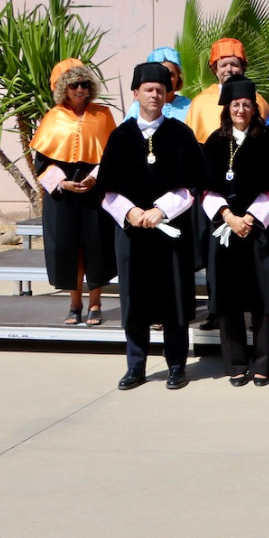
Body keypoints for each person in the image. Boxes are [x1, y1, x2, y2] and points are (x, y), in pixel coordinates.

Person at [97, 62, 206, 391]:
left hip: (169, 233)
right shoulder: (120, 136)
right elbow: (106, 190)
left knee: (173, 297)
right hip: (132, 234)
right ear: (136, 93)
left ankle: (176, 365)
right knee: (135, 298)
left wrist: (160, 210)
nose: (155, 94)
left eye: (161, 89)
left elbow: (192, 186)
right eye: (148, 89)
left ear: (168, 94)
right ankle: (136, 366)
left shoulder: (181, 135)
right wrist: (130, 212)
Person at [200, 77, 269, 385]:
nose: (241, 110)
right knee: (228, 297)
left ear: (254, 108)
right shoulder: (214, 142)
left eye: (246, 105)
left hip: (259, 227)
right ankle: (236, 363)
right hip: (224, 227)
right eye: (235, 104)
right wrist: (228, 216)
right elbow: (204, 187)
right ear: (227, 108)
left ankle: (264, 363)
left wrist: (250, 217)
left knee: (263, 297)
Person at [29, 58, 117, 326]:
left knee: (96, 248)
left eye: (84, 84)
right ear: (63, 89)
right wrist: (63, 183)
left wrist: (94, 178)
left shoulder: (103, 115)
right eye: (74, 85)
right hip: (63, 197)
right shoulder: (52, 118)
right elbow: (41, 163)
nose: (80, 90)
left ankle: (96, 303)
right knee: (69, 250)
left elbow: (112, 156)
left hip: (94, 194)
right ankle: (75, 304)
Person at [186, 38, 269, 144]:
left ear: (242, 68)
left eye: (234, 65)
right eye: (223, 65)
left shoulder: (258, 101)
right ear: (215, 69)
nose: (229, 69)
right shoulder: (200, 103)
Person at [123, 47, 190, 122]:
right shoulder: (138, 108)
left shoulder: (190, 107)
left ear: (178, 76)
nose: (166, 78)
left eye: (170, 74)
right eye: (160, 74)